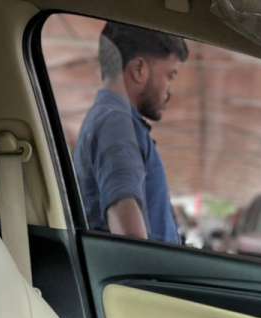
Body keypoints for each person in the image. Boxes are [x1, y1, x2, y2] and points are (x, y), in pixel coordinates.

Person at [74, 23, 188, 241]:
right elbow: (128, 232)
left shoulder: (110, 119)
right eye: (170, 76)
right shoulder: (116, 124)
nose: (169, 91)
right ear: (138, 70)